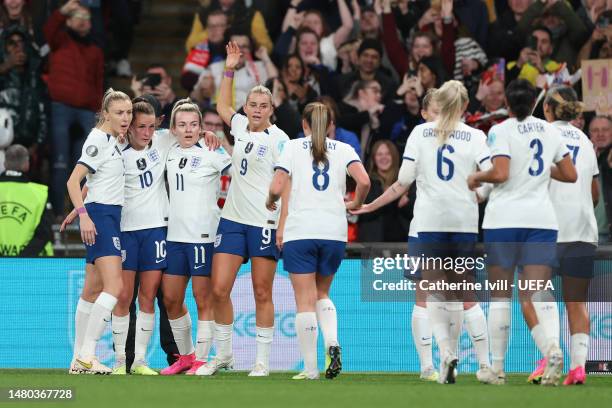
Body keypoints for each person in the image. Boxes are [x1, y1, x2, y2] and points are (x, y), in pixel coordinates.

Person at [352, 83, 495, 384]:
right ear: (465, 106)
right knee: (465, 295)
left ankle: (438, 360)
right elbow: (491, 180)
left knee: (429, 295)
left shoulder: (420, 133)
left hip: (428, 225)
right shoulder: (476, 136)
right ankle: (485, 365)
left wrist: (369, 205)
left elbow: (402, 181)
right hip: (463, 225)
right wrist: (478, 192)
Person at [467, 79, 577, 386]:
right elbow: (570, 174)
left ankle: (498, 369)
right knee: (533, 293)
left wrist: (477, 176)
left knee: (501, 295)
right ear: (534, 103)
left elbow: (500, 173)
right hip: (541, 223)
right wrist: (539, 169)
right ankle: (552, 349)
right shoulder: (550, 130)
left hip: (504, 222)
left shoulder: (501, 130)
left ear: (507, 101)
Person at [196, 41, 289, 377]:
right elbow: (221, 103)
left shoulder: (280, 140)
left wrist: (281, 225)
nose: (257, 109)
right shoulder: (237, 127)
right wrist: (230, 70)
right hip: (232, 220)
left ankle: (262, 361)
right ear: (246, 107)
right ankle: (224, 355)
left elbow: (287, 184)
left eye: (264, 105)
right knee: (218, 289)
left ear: (271, 109)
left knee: (262, 291)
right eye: (252, 104)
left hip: (263, 222)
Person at [266, 102, 369, 379]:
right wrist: (354, 203)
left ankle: (311, 368)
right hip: (334, 232)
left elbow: (277, 186)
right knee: (322, 294)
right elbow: (365, 181)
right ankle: (332, 342)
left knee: (304, 301)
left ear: (304, 124)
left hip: (301, 231)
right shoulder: (344, 149)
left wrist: (270, 200)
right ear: (331, 125)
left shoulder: (293, 147)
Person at [518, 86, 599, 386]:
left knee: (530, 295)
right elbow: (594, 194)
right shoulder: (586, 141)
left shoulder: (539, 134)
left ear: (548, 110)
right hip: (582, 231)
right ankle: (578, 369)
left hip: (546, 230)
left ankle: (549, 354)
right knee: (576, 302)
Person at [159, 99, 231, 376]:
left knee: (203, 298)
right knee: (171, 299)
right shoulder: (168, 150)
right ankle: (186, 356)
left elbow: (241, 175)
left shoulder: (214, 151)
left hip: (203, 236)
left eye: (193, 125)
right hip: (174, 236)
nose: (188, 130)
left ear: (201, 128)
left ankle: (202, 358)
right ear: (173, 129)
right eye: (182, 125)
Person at [66, 89, 132, 374]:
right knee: (114, 287)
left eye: (129, 112)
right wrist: (84, 216)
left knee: (92, 289)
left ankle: (77, 359)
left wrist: (82, 207)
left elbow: (92, 180)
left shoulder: (111, 139)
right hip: (102, 217)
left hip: (102, 212)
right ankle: (88, 353)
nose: (126, 118)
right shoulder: (98, 140)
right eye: (119, 113)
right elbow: (72, 180)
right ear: (105, 114)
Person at [45, 0, 104, 219]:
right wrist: (61, 12)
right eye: (77, 17)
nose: (82, 22)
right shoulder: (59, 40)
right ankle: (58, 213)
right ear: (68, 20)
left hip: (87, 111)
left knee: (86, 165)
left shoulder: (96, 50)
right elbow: (48, 30)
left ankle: (82, 213)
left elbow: (98, 83)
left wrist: (100, 111)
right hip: (61, 107)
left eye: (86, 18)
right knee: (60, 163)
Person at [0, 144, 53, 257]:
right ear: (26, 165)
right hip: (35, 265)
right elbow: (44, 233)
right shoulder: (40, 193)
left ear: (4, 164)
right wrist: (22, 259)